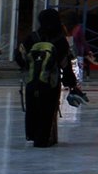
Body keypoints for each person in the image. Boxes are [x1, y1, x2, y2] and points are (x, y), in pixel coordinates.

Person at [22, 8, 84, 147]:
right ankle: (43, 138)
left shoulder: (32, 37)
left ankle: (32, 134)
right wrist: (71, 83)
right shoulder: (60, 40)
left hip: (32, 80)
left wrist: (29, 66)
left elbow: (19, 56)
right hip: (51, 82)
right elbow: (65, 64)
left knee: (33, 108)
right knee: (47, 109)